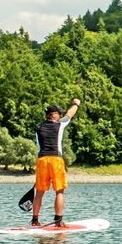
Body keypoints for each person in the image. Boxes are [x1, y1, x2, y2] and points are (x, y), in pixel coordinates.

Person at [32, 98, 81, 228]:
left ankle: (35, 221)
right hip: (55, 160)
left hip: (42, 161)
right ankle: (58, 221)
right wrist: (76, 103)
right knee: (59, 191)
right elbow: (70, 114)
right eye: (58, 113)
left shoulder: (38, 128)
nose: (60, 115)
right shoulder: (59, 124)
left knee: (39, 192)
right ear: (53, 115)